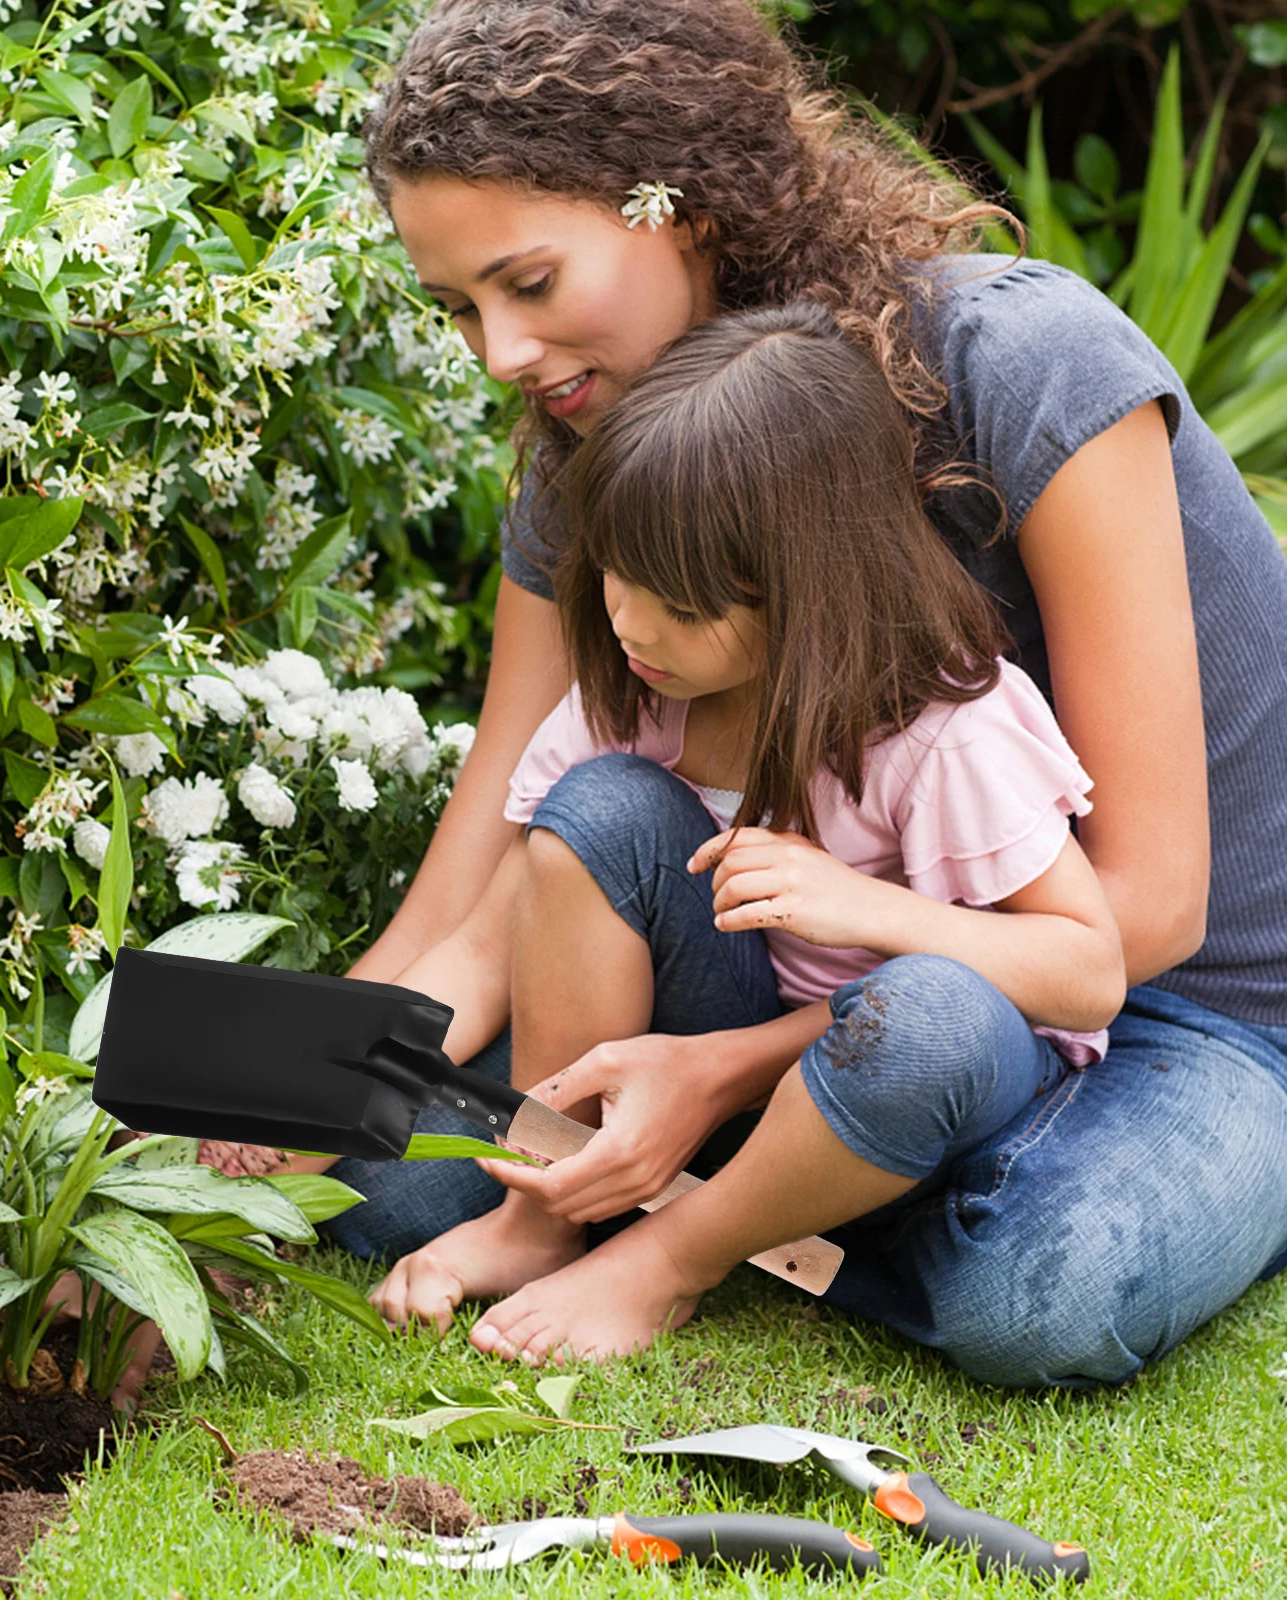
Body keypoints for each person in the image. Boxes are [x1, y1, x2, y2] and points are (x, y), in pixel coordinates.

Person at [308, 0, 1287, 1390]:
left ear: (683, 203)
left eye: (528, 282)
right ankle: (799, 1191)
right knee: (382, 1181)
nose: (500, 355)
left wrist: (726, 1073)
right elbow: (476, 890)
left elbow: (1148, 912)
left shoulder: (1019, 368)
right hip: (806, 964)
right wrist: (264, 1138)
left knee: (1045, 1290)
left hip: (1174, 1006)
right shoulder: (591, 453)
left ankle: (726, 1216)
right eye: (459, 308)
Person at [364, 298, 1137, 1367]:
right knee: (379, 1186)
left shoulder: (945, 730)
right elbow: (487, 945)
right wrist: (328, 1095)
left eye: (682, 607)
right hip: (685, 1078)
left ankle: (670, 1259)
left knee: (929, 1020)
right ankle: (543, 1211)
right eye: (616, 574)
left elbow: (1090, 974)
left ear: (811, 591)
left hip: (892, 1106)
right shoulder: (635, 691)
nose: (629, 625)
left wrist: (864, 908)